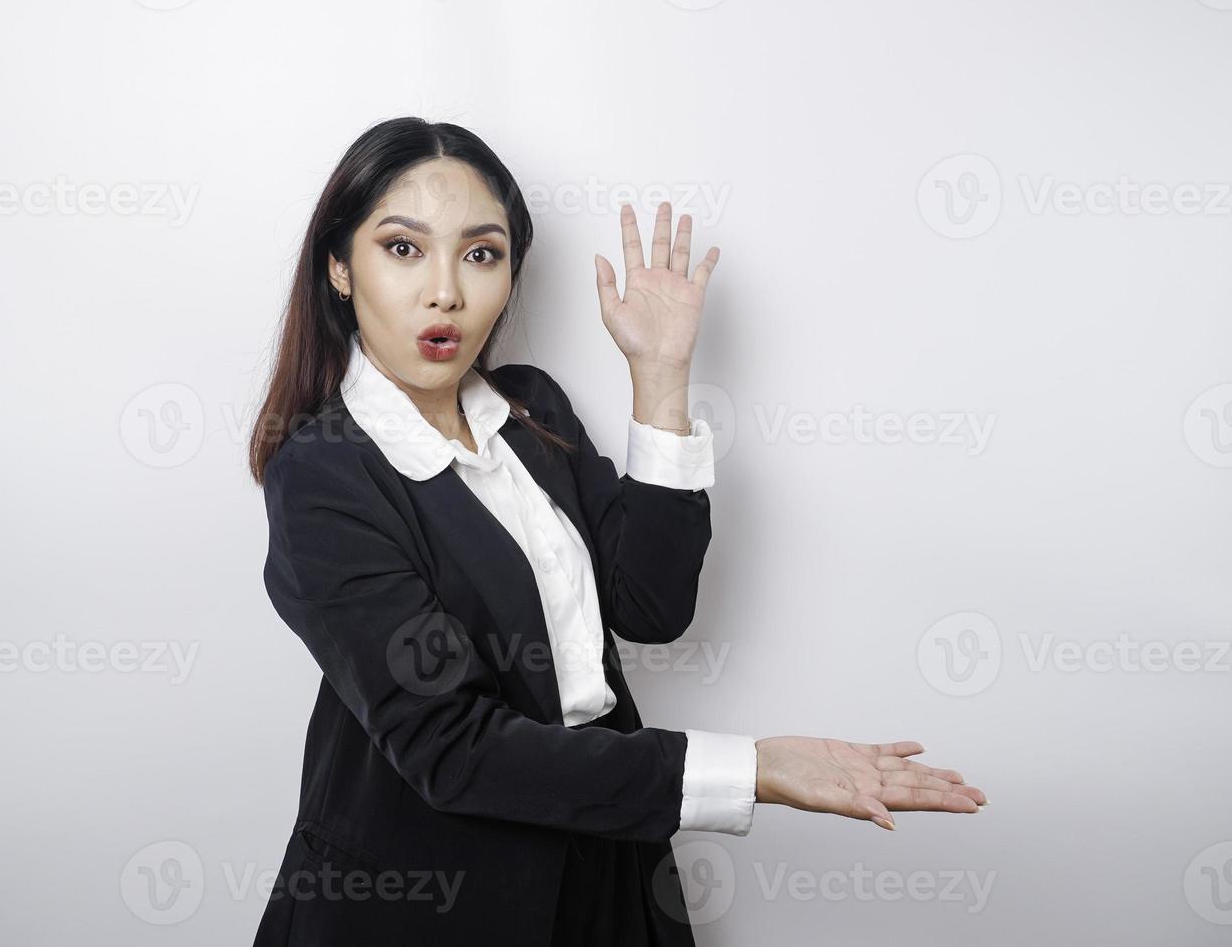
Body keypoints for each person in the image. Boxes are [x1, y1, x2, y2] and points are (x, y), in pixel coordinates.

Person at [248, 117, 986, 946]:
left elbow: (649, 604)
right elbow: (452, 749)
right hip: (429, 897)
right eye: (403, 248)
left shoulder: (531, 408)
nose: (446, 291)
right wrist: (757, 769)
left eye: (481, 254)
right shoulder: (323, 474)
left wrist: (661, 376)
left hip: (604, 856)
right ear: (340, 268)